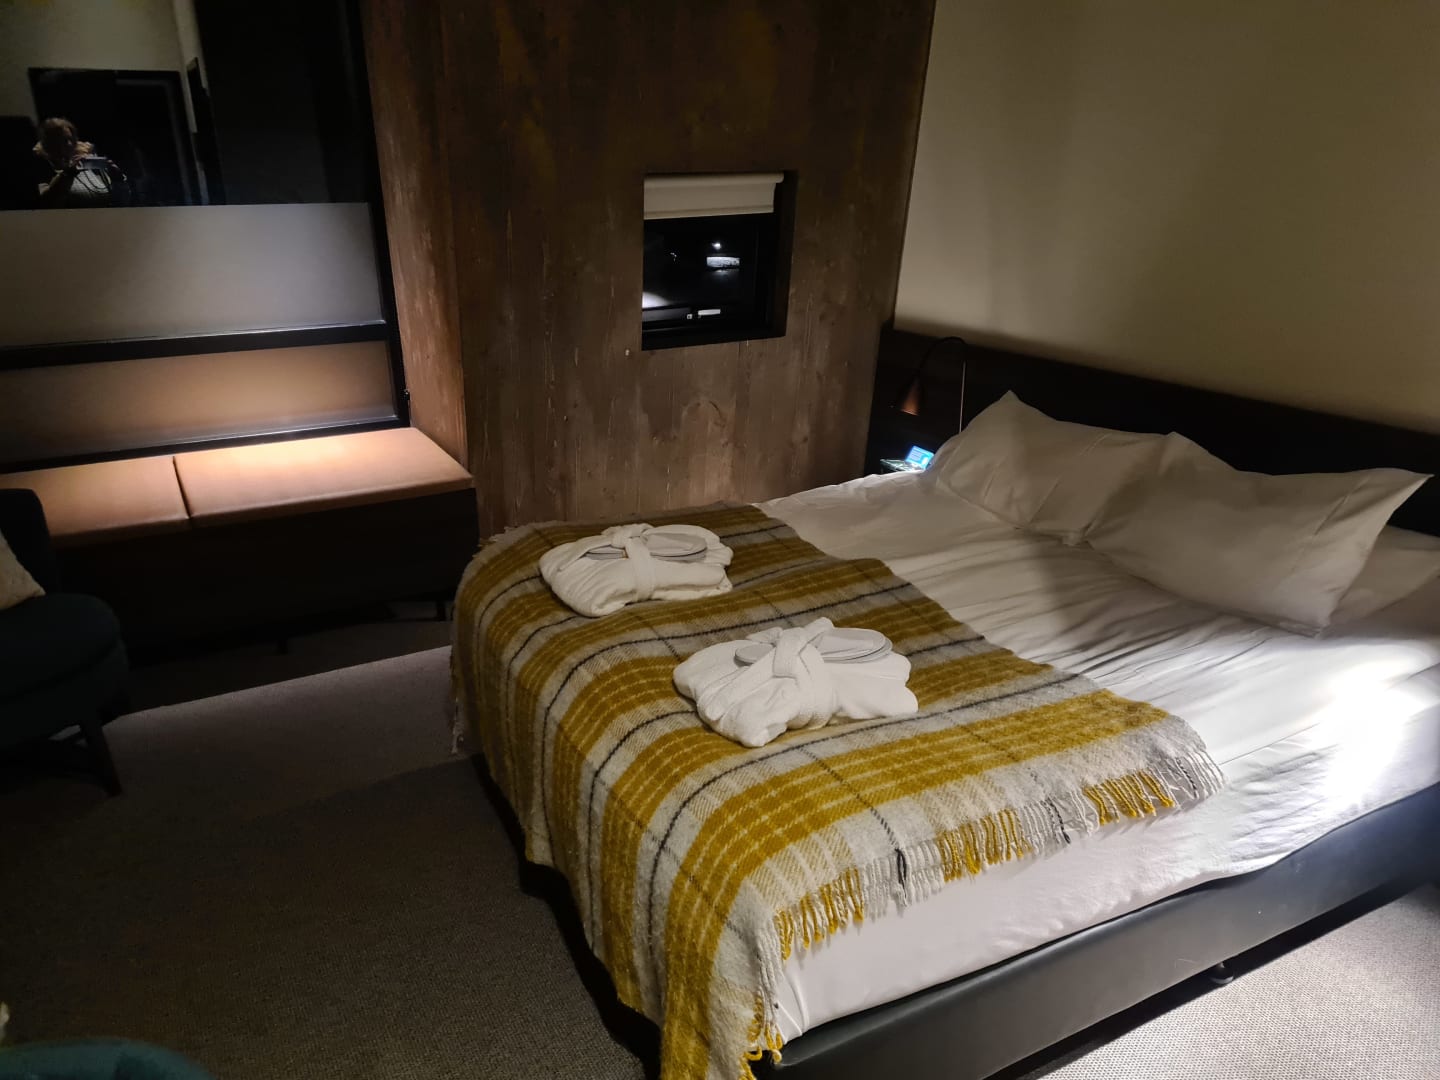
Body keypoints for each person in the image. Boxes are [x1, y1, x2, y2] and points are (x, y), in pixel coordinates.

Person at [30, 117, 128, 208]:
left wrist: (118, 180)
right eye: (62, 140)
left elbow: (121, 202)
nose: (69, 144)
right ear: (48, 143)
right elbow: (48, 204)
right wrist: (67, 175)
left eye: (71, 139)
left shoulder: (87, 164)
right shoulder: (44, 168)